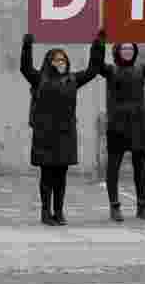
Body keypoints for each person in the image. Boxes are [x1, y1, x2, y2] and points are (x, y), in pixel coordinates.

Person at [21, 30, 105, 226]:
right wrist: (27, 47)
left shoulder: (73, 80)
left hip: (65, 135)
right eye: (56, 60)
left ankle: (58, 211)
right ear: (49, 62)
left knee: (61, 175)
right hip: (45, 135)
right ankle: (45, 212)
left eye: (63, 60)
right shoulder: (39, 78)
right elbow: (25, 68)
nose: (61, 63)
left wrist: (98, 46)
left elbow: (93, 70)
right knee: (47, 175)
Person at [99, 31, 145, 222]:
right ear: (117, 51)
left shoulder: (141, 69)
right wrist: (98, 43)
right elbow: (96, 65)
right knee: (113, 168)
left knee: (140, 168)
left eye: (130, 48)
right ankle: (114, 207)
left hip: (139, 125)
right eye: (124, 48)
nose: (127, 51)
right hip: (117, 126)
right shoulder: (110, 70)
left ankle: (142, 206)